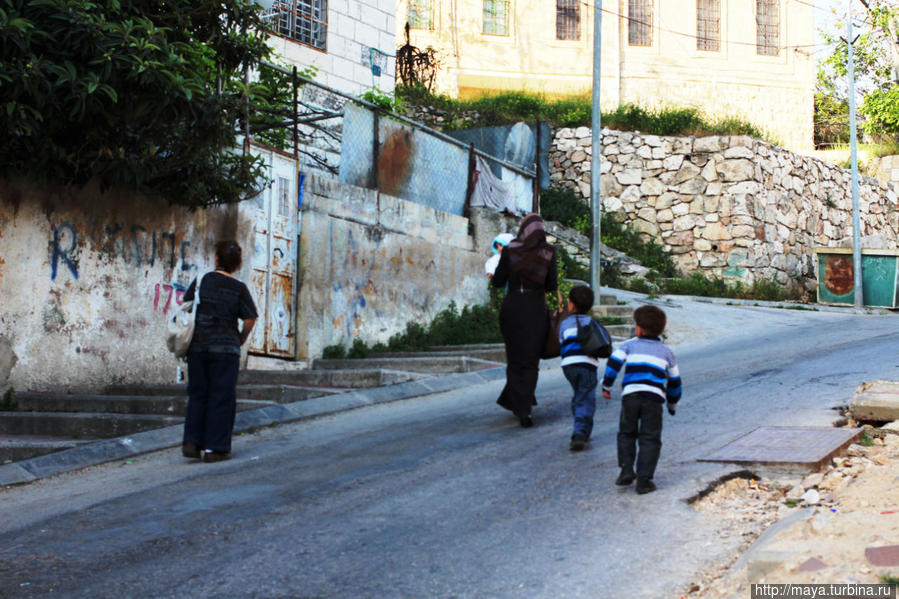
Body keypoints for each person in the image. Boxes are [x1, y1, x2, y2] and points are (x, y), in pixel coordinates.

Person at [181, 240, 258, 462]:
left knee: (198, 393)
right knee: (221, 396)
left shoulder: (201, 280)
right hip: (226, 349)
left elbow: (186, 304)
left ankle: (192, 442)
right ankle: (215, 449)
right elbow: (250, 318)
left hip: (198, 346)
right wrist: (240, 338)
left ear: (216, 259)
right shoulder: (239, 287)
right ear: (237, 264)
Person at [602, 305, 681, 494]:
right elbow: (675, 382)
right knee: (650, 438)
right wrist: (672, 404)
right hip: (653, 400)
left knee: (626, 433)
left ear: (638, 328)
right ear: (662, 330)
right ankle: (644, 480)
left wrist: (607, 386)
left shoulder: (629, 345)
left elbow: (613, 364)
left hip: (630, 397)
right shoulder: (667, 353)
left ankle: (626, 469)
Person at [491, 213, 558, 428]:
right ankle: (524, 409)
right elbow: (551, 285)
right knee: (530, 361)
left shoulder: (510, 249)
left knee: (515, 359)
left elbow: (498, 282)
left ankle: (519, 402)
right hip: (536, 309)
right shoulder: (549, 252)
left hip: (512, 308)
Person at [559, 285, 600, 452]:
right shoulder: (592, 323)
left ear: (570, 305)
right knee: (586, 397)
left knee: (579, 395)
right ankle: (580, 433)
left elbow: (561, 341)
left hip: (569, 366)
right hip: (587, 365)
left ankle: (581, 426)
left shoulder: (564, 324)